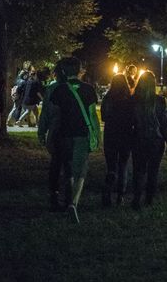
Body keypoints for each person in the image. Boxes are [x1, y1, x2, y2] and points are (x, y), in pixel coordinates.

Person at [49, 57, 101, 223]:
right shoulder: (88, 89)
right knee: (81, 171)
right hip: (82, 135)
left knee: (68, 169)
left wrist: (50, 135)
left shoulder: (59, 90)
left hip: (63, 135)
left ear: (64, 71)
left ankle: (67, 199)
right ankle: (73, 203)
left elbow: (56, 116)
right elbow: (92, 115)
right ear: (80, 70)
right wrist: (97, 135)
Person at [131, 71, 167, 208]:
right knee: (153, 171)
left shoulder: (134, 100)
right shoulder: (160, 101)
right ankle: (149, 200)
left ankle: (136, 199)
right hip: (156, 140)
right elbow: (165, 125)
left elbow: (130, 122)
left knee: (138, 170)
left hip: (138, 139)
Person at [38, 61, 68, 211]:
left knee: (56, 163)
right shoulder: (73, 87)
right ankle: (69, 197)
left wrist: (42, 131)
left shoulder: (51, 88)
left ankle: (54, 195)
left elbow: (45, 111)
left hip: (56, 129)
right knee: (68, 164)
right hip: (70, 130)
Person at [101, 74, 134, 207]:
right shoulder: (129, 99)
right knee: (123, 166)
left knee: (111, 166)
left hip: (111, 134)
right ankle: (120, 196)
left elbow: (103, 117)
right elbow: (133, 117)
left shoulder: (108, 98)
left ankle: (107, 192)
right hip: (126, 134)